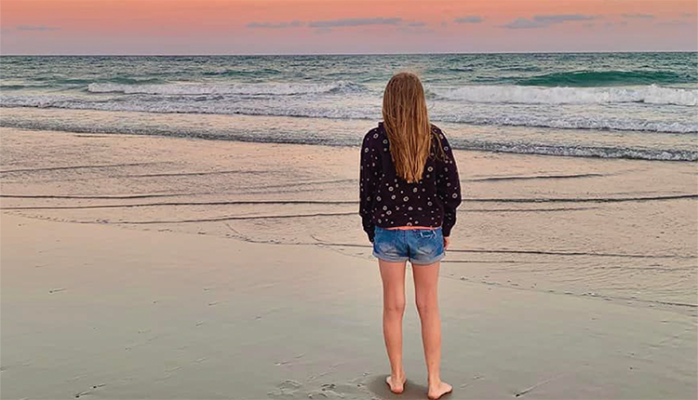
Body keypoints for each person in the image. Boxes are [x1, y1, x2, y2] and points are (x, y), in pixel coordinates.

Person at [359, 72, 461, 399]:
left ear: (389, 101)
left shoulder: (375, 139)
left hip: (388, 231)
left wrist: (370, 228)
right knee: (428, 306)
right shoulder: (434, 137)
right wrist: (445, 228)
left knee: (393, 306)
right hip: (426, 231)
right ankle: (434, 382)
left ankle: (398, 377)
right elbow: (451, 190)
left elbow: (367, 192)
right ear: (420, 102)